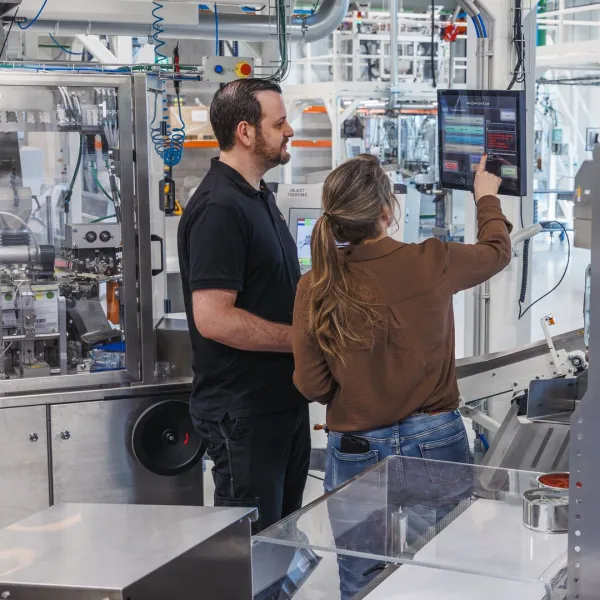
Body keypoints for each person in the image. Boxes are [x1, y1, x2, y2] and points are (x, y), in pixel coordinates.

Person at [292, 154, 512, 598]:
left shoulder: (314, 285)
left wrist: (358, 388)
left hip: (356, 447)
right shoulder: (434, 260)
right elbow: (497, 250)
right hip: (436, 440)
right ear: (387, 210)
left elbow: (312, 385)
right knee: (445, 567)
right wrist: (486, 198)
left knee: (362, 576)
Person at [178, 78, 310, 533]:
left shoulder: (257, 195)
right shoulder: (220, 208)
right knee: (252, 550)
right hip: (244, 415)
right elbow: (214, 318)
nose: (289, 130)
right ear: (246, 132)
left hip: (279, 404)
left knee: (283, 540)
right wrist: (303, 340)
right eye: (279, 123)